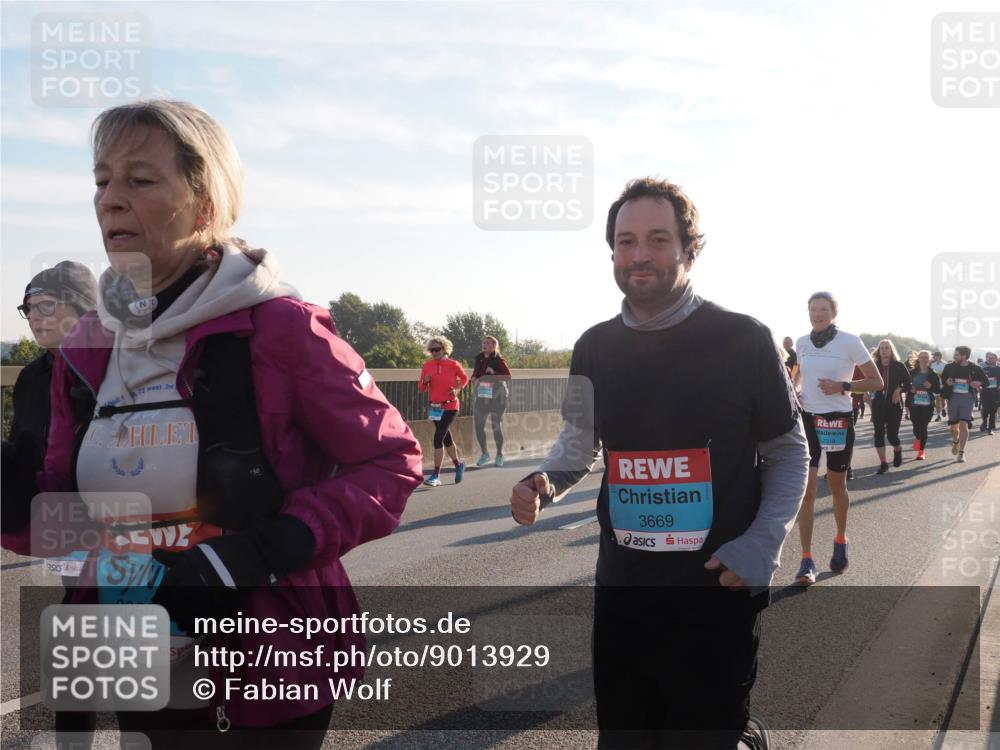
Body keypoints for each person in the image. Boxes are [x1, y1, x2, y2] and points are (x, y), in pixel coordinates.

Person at [1, 99, 423, 748]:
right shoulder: (85, 350)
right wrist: (12, 502)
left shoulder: (280, 326)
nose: (109, 200)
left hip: (268, 662)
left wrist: (259, 552)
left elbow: (390, 462)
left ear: (205, 205)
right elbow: (68, 513)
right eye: (100, 179)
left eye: (139, 179)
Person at [510, 177, 808, 749]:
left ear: (690, 251)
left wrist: (762, 543)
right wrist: (543, 482)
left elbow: (788, 450)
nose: (639, 255)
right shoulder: (593, 346)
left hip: (715, 592)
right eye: (625, 241)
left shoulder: (744, 339)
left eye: (657, 239)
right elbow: (579, 441)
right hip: (623, 594)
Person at [8, 261, 98, 750]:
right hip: (65, 529)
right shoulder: (30, 378)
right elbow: (25, 451)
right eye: (28, 308)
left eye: (46, 305)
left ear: (83, 308)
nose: (35, 317)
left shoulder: (115, 367)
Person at [793, 292, 882, 585]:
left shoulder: (849, 341)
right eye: (813, 309)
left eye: (823, 309)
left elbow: (876, 382)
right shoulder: (802, 343)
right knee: (805, 491)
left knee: (835, 486)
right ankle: (806, 560)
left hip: (838, 420)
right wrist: (796, 388)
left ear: (833, 313)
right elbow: (800, 377)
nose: (817, 313)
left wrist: (842, 386)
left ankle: (841, 539)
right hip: (808, 419)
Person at [418, 336, 469, 486]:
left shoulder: (453, 365)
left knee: (437, 437)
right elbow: (421, 388)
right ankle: (458, 465)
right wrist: (425, 382)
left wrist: (457, 390)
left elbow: (464, 379)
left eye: (437, 349)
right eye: (431, 350)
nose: (434, 352)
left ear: (444, 349)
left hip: (450, 406)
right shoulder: (427, 365)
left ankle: (435, 475)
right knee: (446, 438)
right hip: (435, 408)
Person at [870, 339, 911, 474]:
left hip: (894, 405)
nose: (884, 350)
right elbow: (867, 380)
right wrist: (866, 393)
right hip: (878, 404)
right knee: (879, 434)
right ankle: (883, 462)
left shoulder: (898, 365)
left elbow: (908, 384)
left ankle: (897, 449)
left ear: (891, 350)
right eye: (882, 348)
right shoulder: (874, 365)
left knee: (892, 436)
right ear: (878, 350)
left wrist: (899, 389)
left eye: (887, 348)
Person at [941, 346, 989, 463]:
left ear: (964, 356)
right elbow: (944, 379)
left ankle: (962, 453)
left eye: (956, 355)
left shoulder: (975, 368)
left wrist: (979, 382)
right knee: (953, 427)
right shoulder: (949, 367)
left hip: (968, 398)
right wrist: (947, 381)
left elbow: (986, 382)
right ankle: (955, 441)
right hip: (953, 398)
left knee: (964, 424)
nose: (954, 356)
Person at [471, 335, 512, 467]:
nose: (485, 345)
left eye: (488, 343)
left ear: (494, 346)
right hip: (482, 396)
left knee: (495, 426)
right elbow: (476, 373)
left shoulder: (499, 360)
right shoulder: (479, 359)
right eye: (484, 343)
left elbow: (508, 377)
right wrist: (473, 378)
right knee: (478, 425)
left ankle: (499, 455)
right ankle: (485, 454)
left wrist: (493, 372)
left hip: (497, 397)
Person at [908, 350, 941, 460]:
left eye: (926, 357)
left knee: (923, 427)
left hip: (927, 405)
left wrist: (931, 386)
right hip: (914, 404)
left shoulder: (933, 374)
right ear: (918, 358)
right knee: (915, 427)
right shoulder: (912, 373)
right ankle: (917, 439)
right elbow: (904, 385)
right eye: (922, 357)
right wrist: (910, 389)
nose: (924, 359)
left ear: (929, 359)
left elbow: (938, 389)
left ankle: (921, 451)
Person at [979, 351, 998, 435]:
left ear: (996, 359)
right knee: (985, 409)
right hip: (985, 392)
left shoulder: (999, 368)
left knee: (993, 411)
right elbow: (978, 378)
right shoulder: (983, 369)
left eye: (992, 358)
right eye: (989, 358)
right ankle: (984, 423)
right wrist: (979, 386)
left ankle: (990, 428)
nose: (990, 359)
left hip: (996, 393)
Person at [930, 351, 947, 420]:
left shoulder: (945, 364)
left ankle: (943, 409)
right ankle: (938, 415)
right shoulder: (932, 365)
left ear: (939, 356)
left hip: (942, 384)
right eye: (934, 356)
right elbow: (931, 373)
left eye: (935, 356)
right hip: (935, 384)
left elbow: (947, 374)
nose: (934, 357)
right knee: (937, 399)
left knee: (942, 399)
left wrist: (941, 375)